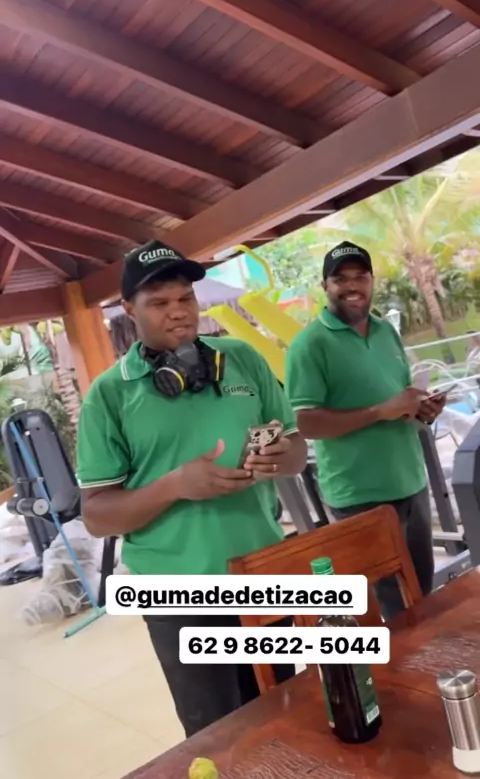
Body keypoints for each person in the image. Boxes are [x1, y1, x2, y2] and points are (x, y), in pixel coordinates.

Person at [76, 240, 307, 737]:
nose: (178, 312)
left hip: (261, 575)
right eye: (159, 303)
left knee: (286, 717)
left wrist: (278, 457)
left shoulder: (242, 358)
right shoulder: (108, 396)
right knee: (220, 738)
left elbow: (295, 449)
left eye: (185, 298)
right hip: (178, 597)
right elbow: (96, 515)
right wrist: (174, 485)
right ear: (129, 310)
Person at [285, 241, 446, 621]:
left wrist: (421, 409)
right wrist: (378, 412)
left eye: (360, 277)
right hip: (360, 497)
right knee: (392, 610)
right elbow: (305, 422)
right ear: (325, 286)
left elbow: (397, 400)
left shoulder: (385, 330)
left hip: (411, 483)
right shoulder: (309, 345)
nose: (352, 286)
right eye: (341, 279)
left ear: (372, 281)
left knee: (422, 595)